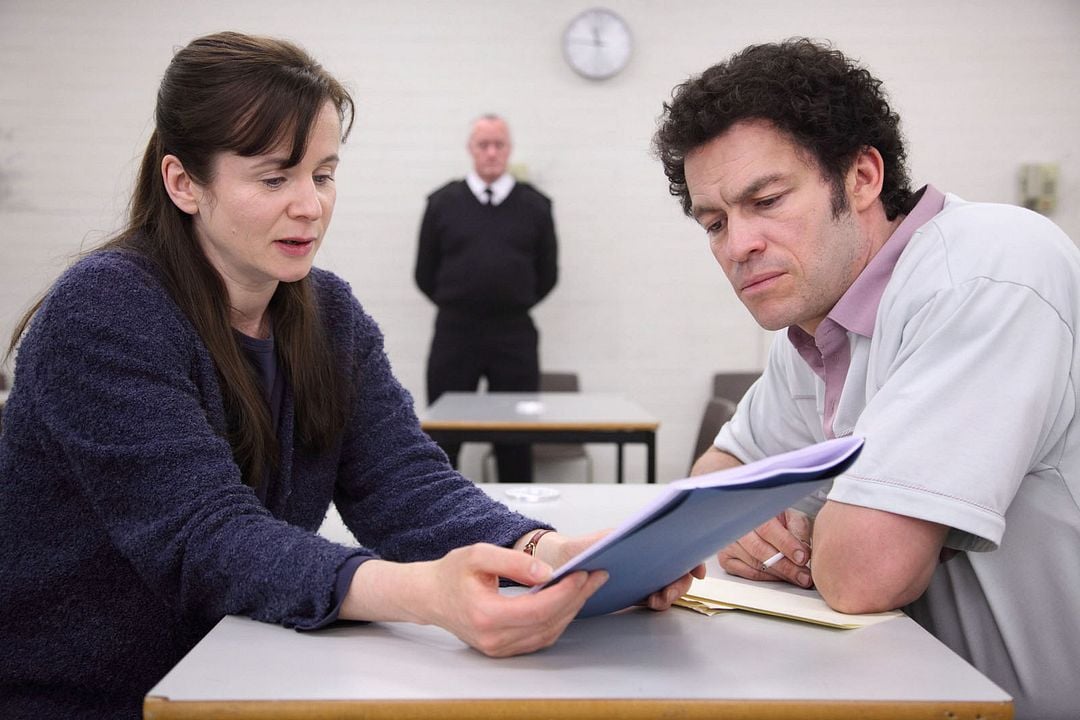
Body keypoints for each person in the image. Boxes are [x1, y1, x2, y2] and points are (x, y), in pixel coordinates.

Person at [0, 32, 695, 720]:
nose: (311, 205)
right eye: (274, 178)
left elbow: (402, 484)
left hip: (240, 669)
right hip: (87, 696)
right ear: (184, 182)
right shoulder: (105, 311)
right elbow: (205, 537)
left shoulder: (328, 314)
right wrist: (425, 594)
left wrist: (544, 553)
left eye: (324, 174)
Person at [654, 38, 1079, 720]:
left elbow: (862, 576)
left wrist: (780, 520)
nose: (738, 246)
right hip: (919, 691)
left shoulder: (989, 269)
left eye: (765, 200)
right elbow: (711, 477)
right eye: (715, 223)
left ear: (862, 176)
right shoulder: (816, 327)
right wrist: (745, 517)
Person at [415, 114, 558, 482]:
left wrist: (508, 301)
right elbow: (423, 273)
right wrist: (464, 302)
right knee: (444, 435)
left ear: (509, 149)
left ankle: (518, 530)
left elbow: (548, 275)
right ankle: (441, 519)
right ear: (471, 150)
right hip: (455, 332)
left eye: (499, 145)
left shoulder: (536, 206)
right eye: (484, 145)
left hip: (514, 335)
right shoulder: (442, 203)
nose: (492, 152)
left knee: (516, 435)